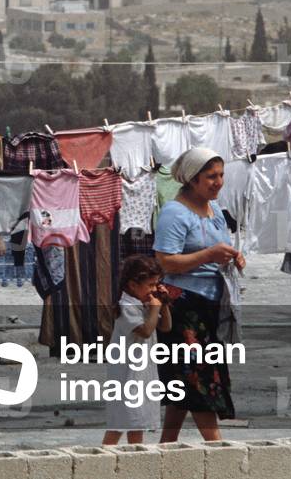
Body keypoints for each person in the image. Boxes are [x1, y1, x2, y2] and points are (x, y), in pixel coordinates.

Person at [153, 147, 244, 442]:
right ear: (192, 179)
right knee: (199, 379)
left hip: (210, 304)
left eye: (221, 175)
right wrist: (209, 255)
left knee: (185, 383)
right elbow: (165, 261)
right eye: (210, 177)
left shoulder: (214, 208)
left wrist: (232, 257)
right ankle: (217, 449)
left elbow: (218, 249)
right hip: (183, 307)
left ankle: (165, 448)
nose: (218, 182)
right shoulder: (174, 213)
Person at [102, 254, 172, 446]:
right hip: (127, 374)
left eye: (155, 284)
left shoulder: (144, 303)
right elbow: (146, 331)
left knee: (138, 422)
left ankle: (135, 459)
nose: (152, 290)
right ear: (133, 285)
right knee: (119, 422)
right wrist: (155, 309)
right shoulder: (126, 306)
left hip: (142, 372)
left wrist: (163, 304)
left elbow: (165, 327)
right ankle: (103, 460)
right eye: (150, 285)